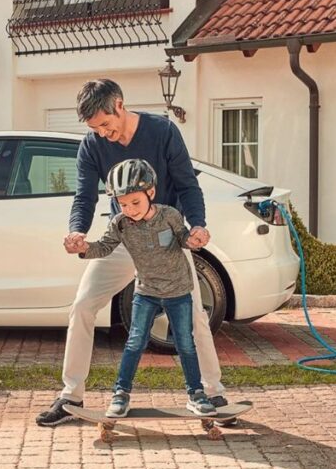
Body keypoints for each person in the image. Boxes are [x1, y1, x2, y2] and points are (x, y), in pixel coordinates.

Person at [35, 79, 227, 427]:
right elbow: (84, 197)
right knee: (82, 306)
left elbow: (187, 185)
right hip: (124, 238)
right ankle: (70, 395)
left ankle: (213, 393)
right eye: (95, 128)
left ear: (119, 105)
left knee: (195, 315)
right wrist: (78, 230)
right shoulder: (92, 145)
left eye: (105, 125)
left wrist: (197, 225)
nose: (102, 133)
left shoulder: (162, 131)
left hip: (167, 241)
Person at [77, 159, 218, 417]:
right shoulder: (120, 224)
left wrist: (196, 239)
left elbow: (185, 240)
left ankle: (196, 394)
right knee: (134, 343)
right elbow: (104, 247)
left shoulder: (170, 216)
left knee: (186, 344)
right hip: (146, 292)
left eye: (135, 202)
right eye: (123, 204)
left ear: (150, 193)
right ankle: (121, 394)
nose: (129, 209)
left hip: (178, 292)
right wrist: (84, 248)